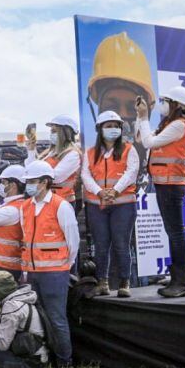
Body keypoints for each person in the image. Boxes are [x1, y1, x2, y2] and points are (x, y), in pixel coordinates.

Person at [135, 85, 185, 297]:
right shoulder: (168, 124)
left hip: (171, 185)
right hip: (164, 183)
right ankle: (177, 279)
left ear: (177, 104)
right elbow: (142, 138)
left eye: (166, 100)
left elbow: (149, 142)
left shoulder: (179, 125)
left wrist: (143, 117)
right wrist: (140, 116)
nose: (162, 104)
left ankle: (181, 282)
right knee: (173, 232)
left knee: (176, 233)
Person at [20, 160, 79, 367]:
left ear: (44, 182)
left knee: (57, 319)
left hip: (55, 273)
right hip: (32, 273)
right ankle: (43, 359)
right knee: (37, 319)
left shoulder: (60, 206)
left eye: (32, 181)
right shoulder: (25, 207)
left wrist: (64, 265)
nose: (28, 185)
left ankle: (64, 363)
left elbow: (73, 241)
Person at [82, 110, 140, 297]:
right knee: (101, 244)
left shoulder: (129, 149)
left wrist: (115, 191)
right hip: (97, 205)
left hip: (123, 204)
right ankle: (102, 282)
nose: (113, 129)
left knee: (121, 243)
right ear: (100, 129)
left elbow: (131, 172)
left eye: (116, 126)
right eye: (109, 126)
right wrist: (100, 192)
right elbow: (85, 175)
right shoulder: (90, 153)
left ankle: (125, 282)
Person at [26, 115, 82, 204]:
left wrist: (36, 172)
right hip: (46, 200)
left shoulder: (73, 154)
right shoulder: (49, 152)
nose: (51, 134)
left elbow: (55, 177)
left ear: (65, 133)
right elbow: (30, 170)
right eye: (51, 131)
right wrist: (31, 150)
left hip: (62, 202)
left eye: (54, 131)